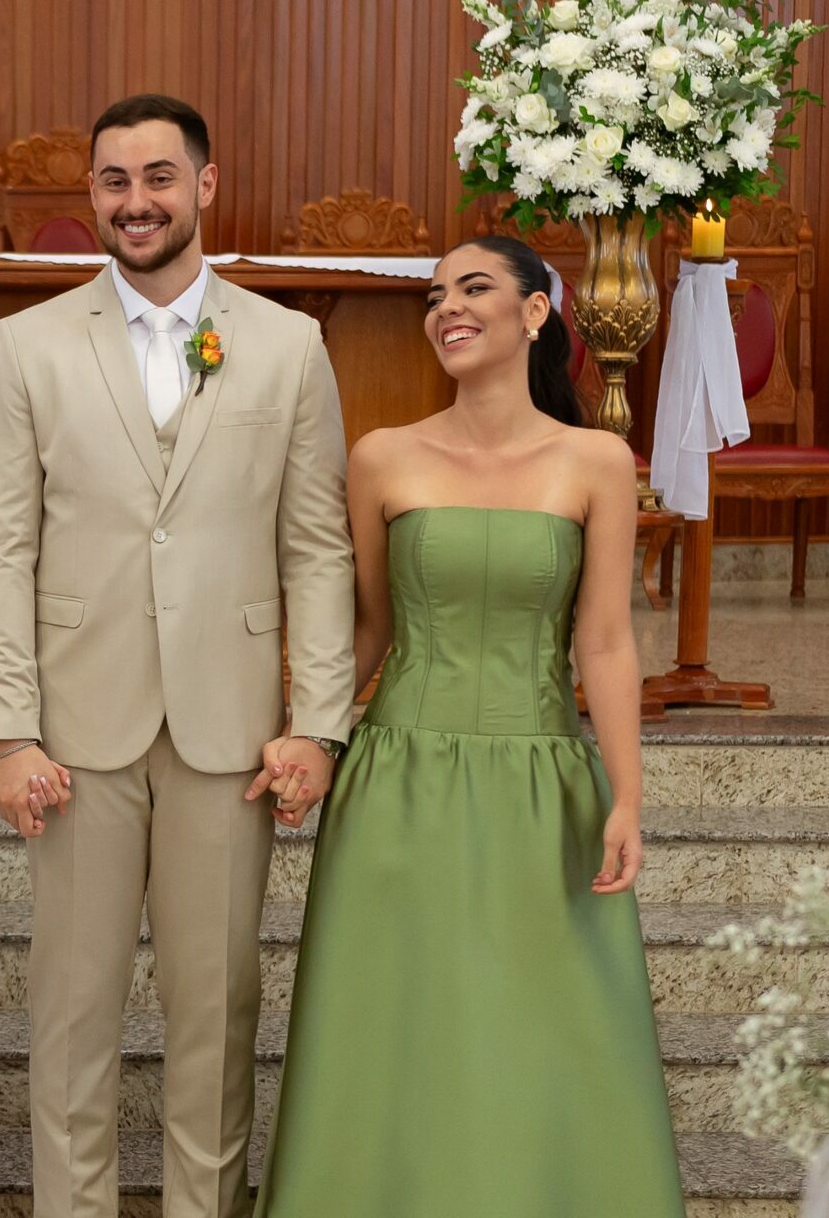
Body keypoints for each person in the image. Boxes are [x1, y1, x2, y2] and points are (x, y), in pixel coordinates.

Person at [0, 94, 357, 1217]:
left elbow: (317, 549)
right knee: (71, 1014)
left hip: (229, 732)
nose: (135, 201)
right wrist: (6, 729)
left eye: (157, 177)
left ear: (205, 184)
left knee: (217, 1014)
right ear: (91, 194)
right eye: (113, 181)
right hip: (73, 732)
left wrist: (317, 722)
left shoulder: (287, 345)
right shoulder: (29, 344)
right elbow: (0, 549)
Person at [252, 233, 685, 1216]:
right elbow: (367, 629)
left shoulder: (596, 460)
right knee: (395, 1030)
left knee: (542, 1032)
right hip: (397, 787)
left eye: (473, 288)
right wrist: (310, 735)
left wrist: (627, 795)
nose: (446, 307)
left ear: (535, 312)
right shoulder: (382, 456)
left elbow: (606, 642)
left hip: (544, 787)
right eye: (436, 294)